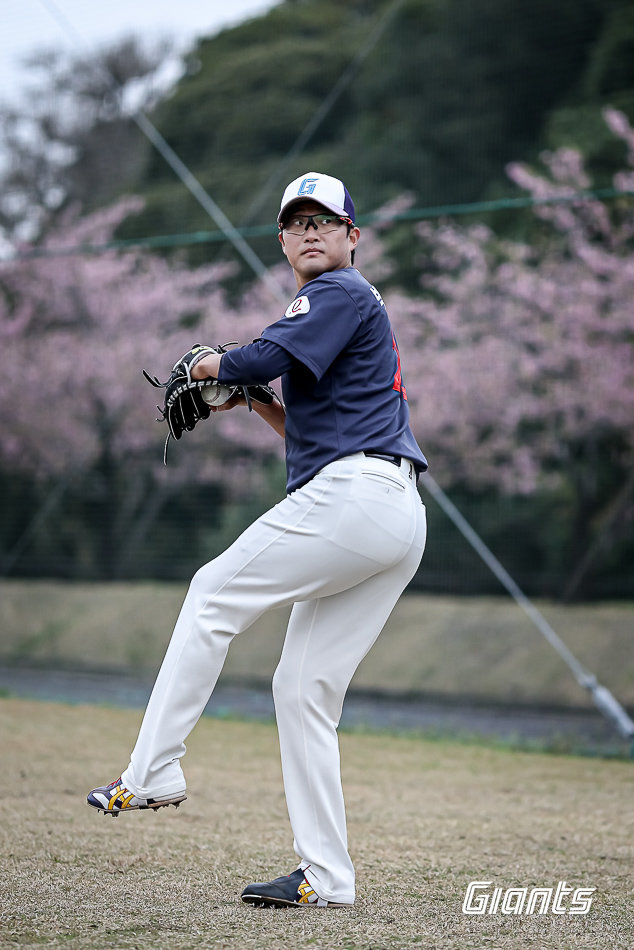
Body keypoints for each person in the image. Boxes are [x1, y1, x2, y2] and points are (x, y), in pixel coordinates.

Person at [87, 172, 428, 909]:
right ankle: (328, 878)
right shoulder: (343, 313)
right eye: (296, 222)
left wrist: (211, 365)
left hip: (356, 498)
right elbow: (305, 421)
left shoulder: (335, 293)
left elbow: (253, 358)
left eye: (324, 220)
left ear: (351, 237)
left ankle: (152, 773)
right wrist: (251, 401)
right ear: (282, 240)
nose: (310, 231)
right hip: (391, 512)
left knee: (211, 592)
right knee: (301, 689)